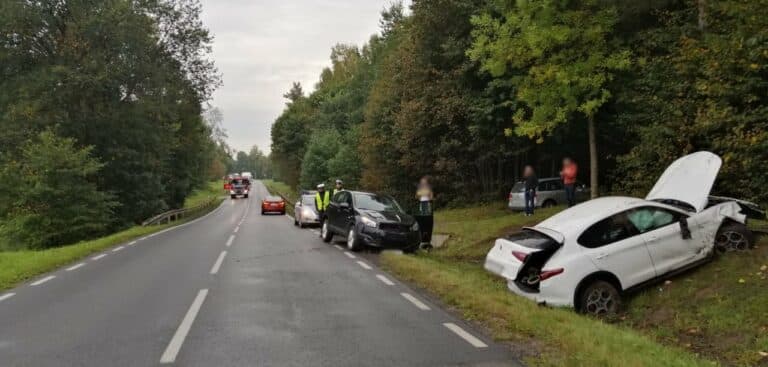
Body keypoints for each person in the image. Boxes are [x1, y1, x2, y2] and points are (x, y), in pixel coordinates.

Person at [414, 176, 434, 249]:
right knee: (422, 216)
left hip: (427, 203)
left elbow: (431, 196)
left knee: (427, 216)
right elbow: (416, 197)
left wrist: (428, 197)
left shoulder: (429, 189)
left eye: (424, 182)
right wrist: (419, 195)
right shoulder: (420, 189)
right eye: (422, 182)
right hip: (421, 203)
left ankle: (426, 235)